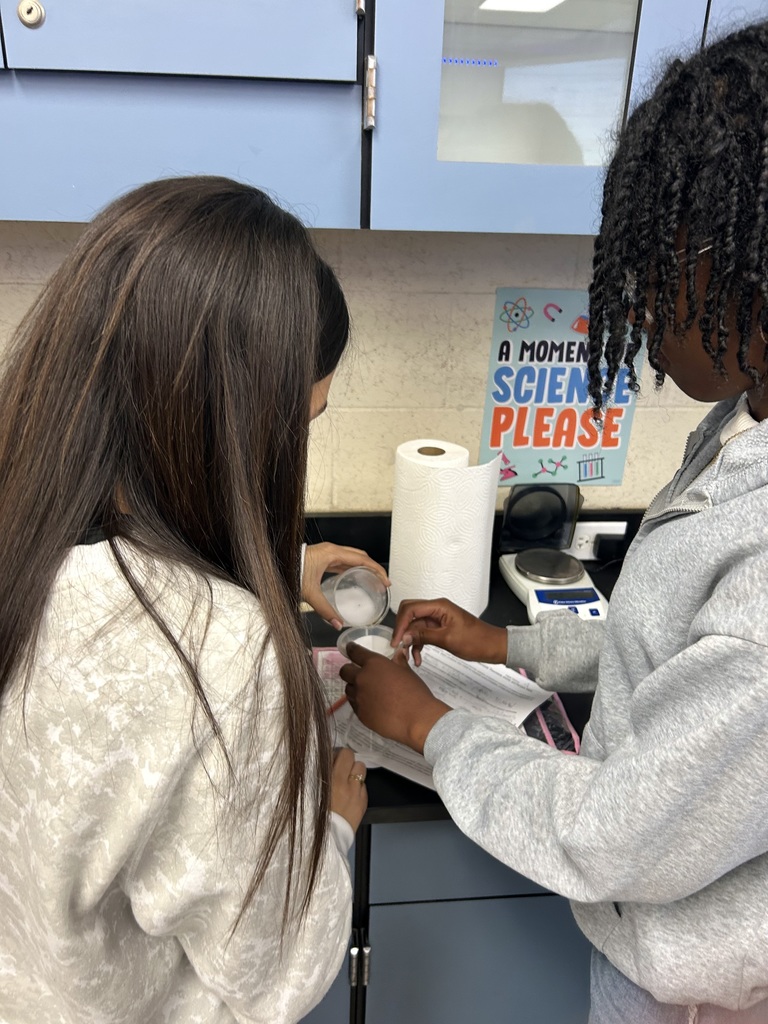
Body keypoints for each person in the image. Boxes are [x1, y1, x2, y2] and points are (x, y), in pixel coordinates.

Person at [341, 21, 768, 1024]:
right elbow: (678, 657)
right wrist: (511, 643)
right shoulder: (740, 426)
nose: (641, 318)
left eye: (659, 279)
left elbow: (623, 835)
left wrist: (430, 727)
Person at [0, 175, 384, 1023]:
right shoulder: (222, 652)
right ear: (228, 422)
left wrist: (281, 558)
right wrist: (335, 831)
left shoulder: (22, 523)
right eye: (299, 425)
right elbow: (271, 975)